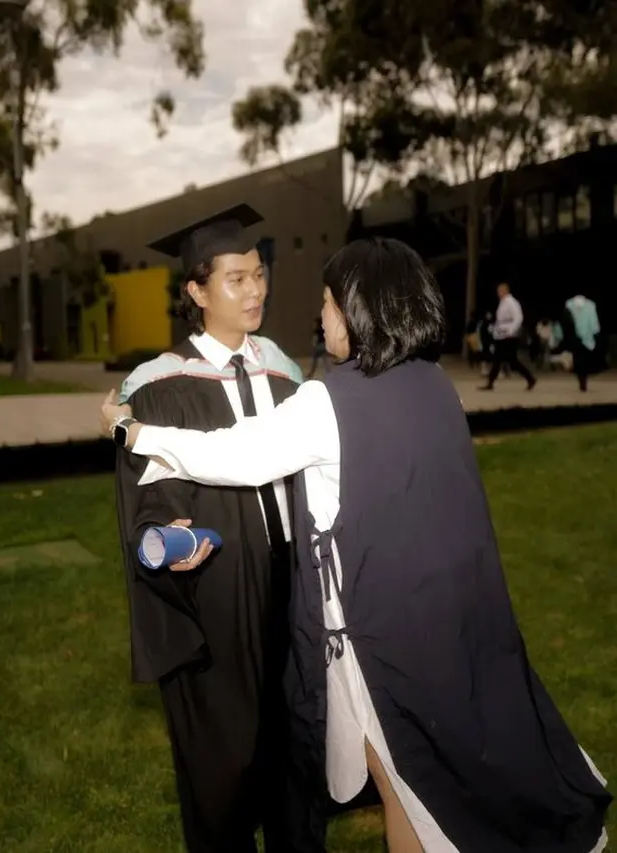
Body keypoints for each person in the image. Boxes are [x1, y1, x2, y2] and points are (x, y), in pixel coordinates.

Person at [102, 237, 611, 853]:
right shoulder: (434, 385)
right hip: (451, 618)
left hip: (376, 633)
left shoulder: (324, 399)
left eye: (328, 303)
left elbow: (228, 455)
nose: (320, 316)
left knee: (405, 774)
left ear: (362, 309)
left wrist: (130, 429)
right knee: (424, 777)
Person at [111, 203, 306, 853]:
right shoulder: (162, 388)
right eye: (235, 278)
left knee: (295, 760)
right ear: (195, 291)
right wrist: (164, 539)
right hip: (217, 595)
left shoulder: (284, 373)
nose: (255, 289)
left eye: (258, 273)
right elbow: (151, 496)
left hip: (293, 584)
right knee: (223, 768)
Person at [481, 283, 536, 390]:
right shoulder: (503, 303)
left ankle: (530, 378)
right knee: (498, 359)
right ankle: (490, 383)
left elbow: (518, 318)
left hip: (510, 336)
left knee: (511, 361)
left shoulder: (512, 302)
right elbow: (500, 320)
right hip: (502, 335)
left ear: (505, 291)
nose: (498, 294)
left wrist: (511, 331)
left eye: (500, 291)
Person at [560, 294, 603, 392]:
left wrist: (595, 332)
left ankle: (582, 382)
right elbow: (594, 321)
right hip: (577, 338)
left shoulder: (589, 305)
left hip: (583, 337)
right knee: (580, 361)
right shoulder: (570, 305)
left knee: (581, 361)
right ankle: (583, 382)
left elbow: (593, 321)